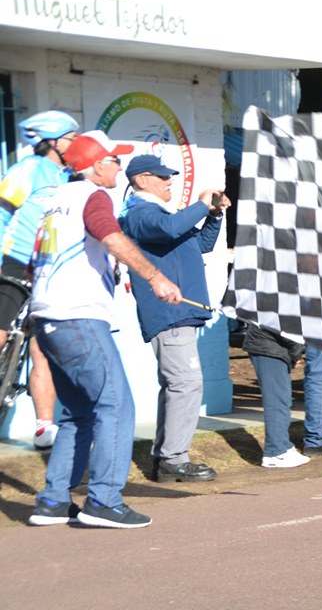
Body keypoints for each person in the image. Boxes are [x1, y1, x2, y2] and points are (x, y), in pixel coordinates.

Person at [27, 130, 181, 529]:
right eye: (114, 160)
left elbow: (34, 263)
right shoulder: (93, 197)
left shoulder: (53, 201)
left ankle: (53, 501)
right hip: (78, 317)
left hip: (47, 318)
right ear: (96, 166)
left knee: (78, 412)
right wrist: (155, 277)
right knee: (116, 406)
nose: (118, 167)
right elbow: (111, 238)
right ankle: (104, 500)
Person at [118, 155, 229, 483]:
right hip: (169, 313)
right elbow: (170, 229)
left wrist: (214, 214)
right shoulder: (140, 212)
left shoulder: (163, 214)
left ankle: (166, 458)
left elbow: (201, 244)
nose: (170, 181)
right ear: (142, 180)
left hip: (180, 313)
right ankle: (173, 459)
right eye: (162, 176)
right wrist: (201, 205)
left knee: (177, 385)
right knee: (185, 384)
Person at [0, 111, 78, 450]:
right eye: (71, 138)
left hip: (50, 267)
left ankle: (44, 427)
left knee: (42, 349)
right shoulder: (27, 169)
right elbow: (1, 211)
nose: (75, 144)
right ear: (53, 141)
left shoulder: (70, 176)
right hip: (16, 259)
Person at [243, 325, 322, 468]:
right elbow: (286, 328)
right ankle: (275, 452)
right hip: (268, 347)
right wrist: (295, 353)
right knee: (277, 401)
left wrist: (294, 352)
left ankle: (283, 446)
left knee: (282, 400)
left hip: (273, 346)